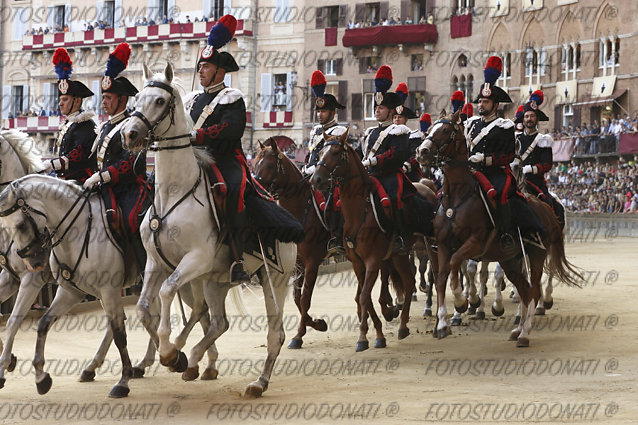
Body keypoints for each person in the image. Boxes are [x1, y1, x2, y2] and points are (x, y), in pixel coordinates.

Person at [186, 15, 284, 283]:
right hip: (192, 159)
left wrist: (200, 134)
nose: (201, 71)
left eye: (206, 67)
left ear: (220, 72)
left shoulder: (232, 98)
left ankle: (238, 257)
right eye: (200, 66)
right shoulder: (192, 99)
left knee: (233, 191)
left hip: (225, 159)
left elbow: (231, 129)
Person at [465, 56, 543, 249]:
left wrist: (485, 158)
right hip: (471, 171)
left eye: (486, 101)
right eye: (480, 101)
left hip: (495, 173)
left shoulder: (504, 126)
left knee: (502, 196)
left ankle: (507, 233)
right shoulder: (471, 124)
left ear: (495, 105)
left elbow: (507, 156)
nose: (481, 104)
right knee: (444, 193)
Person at [83, 43, 147, 269]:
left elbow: (131, 163)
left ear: (122, 100)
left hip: (129, 188)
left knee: (132, 221)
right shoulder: (105, 127)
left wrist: (102, 177)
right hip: (105, 187)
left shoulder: (132, 126)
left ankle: (142, 270)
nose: (103, 102)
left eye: (108, 98)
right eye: (104, 97)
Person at [361, 66, 434, 250]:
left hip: (390, 175)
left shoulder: (399, 131)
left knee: (395, 199)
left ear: (391, 111)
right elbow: (360, 152)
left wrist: (372, 162)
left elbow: (395, 155)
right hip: (371, 176)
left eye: (381, 107)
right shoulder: (371, 132)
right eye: (376, 107)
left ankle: (401, 235)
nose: (377, 111)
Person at [302, 70, 347, 254]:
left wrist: (313, 169)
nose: (320, 115)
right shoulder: (315, 131)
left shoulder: (338, 131)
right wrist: (305, 166)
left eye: (324, 111)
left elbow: (330, 159)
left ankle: (335, 238)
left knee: (330, 205)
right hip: (310, 175)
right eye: (318, 111)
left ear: (333, 112)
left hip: (328, 179)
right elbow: (311, 154)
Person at [42, 48, 97, 183]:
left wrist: (52, 163)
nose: (60, 104)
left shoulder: (86, 124)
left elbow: (79, 154)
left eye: (65, 100)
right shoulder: (68, 123)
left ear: (77, 101)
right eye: (60, 100)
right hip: (63, 178)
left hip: (80, 180)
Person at [512, 90, 565, 227]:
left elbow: (547, 164)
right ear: (523, 119)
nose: (529, 119)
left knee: (548, 204)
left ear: (537, 119)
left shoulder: (543, 140)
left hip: (534, 182)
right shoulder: (515, 139)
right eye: (527, 116)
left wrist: (531, 169)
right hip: (514, 180)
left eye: (532, 116)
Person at [391, 83, 422, 182]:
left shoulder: (412, 136)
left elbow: (415, 156)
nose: (397, 120)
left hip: (408, 174)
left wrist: (405, 167)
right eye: (395, 117)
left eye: (400, 117)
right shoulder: (387, 135)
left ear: (405, 119)